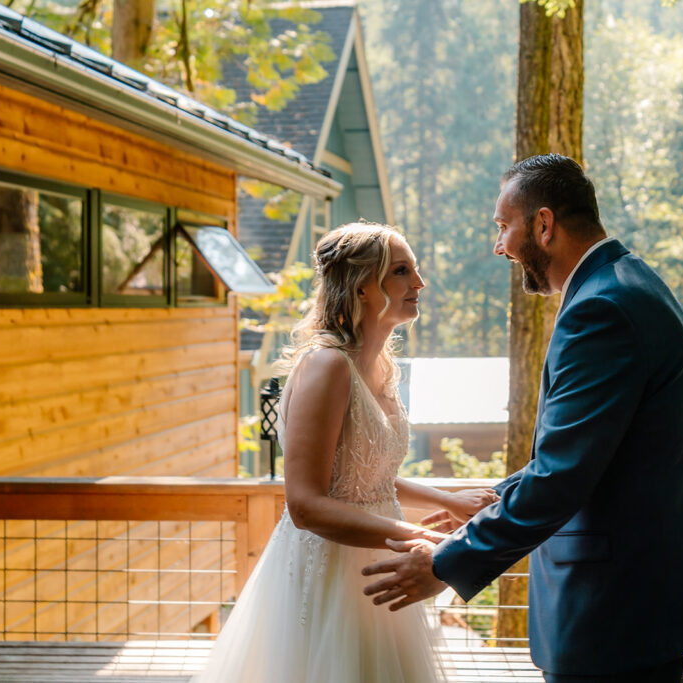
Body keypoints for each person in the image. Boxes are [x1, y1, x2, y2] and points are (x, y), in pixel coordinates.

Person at [363, 155, 683, 682]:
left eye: (503, 226)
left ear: (544, 224)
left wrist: (446, 564)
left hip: (612, 612)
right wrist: (492, 502)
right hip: (640, 604)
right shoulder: (633, 283)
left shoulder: (602, 310)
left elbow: (561, 474)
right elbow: (597, 454)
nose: (499, 245)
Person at [193, 223, 497, 683]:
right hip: (330, 570)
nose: (419, 283)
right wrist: (421, 537)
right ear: (362, 287)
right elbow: (306, 505)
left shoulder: (382, 366)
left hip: (378, 565)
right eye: (402, 271)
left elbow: (363, 470)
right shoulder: (327, 365)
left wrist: (447, 501)